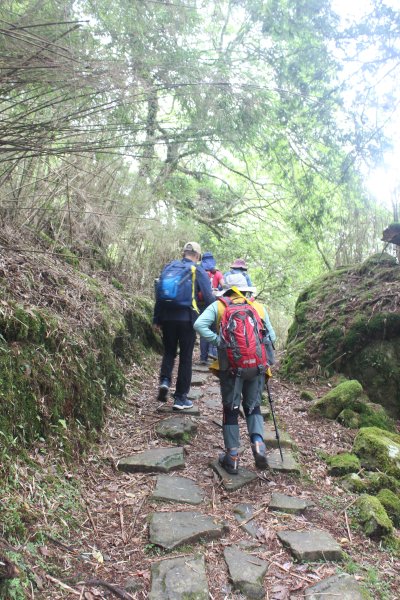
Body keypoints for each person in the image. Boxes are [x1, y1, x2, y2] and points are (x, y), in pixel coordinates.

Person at [193, 273, 276, 474]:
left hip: (230, 368)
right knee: (253, 406)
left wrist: (219, 342)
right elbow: (271, 337)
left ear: (226, 290)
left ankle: (232, 457)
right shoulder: (257, 307)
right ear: (246, 290)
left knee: (230, 408)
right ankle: (258, 444)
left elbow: (199, 325)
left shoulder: (219, 306)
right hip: (256, 367)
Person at [153, 242, 215, 410]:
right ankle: (180, 398)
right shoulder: (197, 270)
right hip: (187, 319)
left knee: (169, 352)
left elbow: (159, 294)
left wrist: (156, 319)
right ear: (197, 256)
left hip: (167, 317)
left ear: (184, 253)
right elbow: (209, 298)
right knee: (186, 358)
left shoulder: (169, 267)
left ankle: (165, 381)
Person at [198, 252, 224, 364]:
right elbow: (224, 286)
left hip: (199, 304)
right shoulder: (217, 273)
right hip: (213, 303)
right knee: (214, 329)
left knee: (203, 328)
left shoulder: (199, 271)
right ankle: (213, 355)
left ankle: (203, 358)